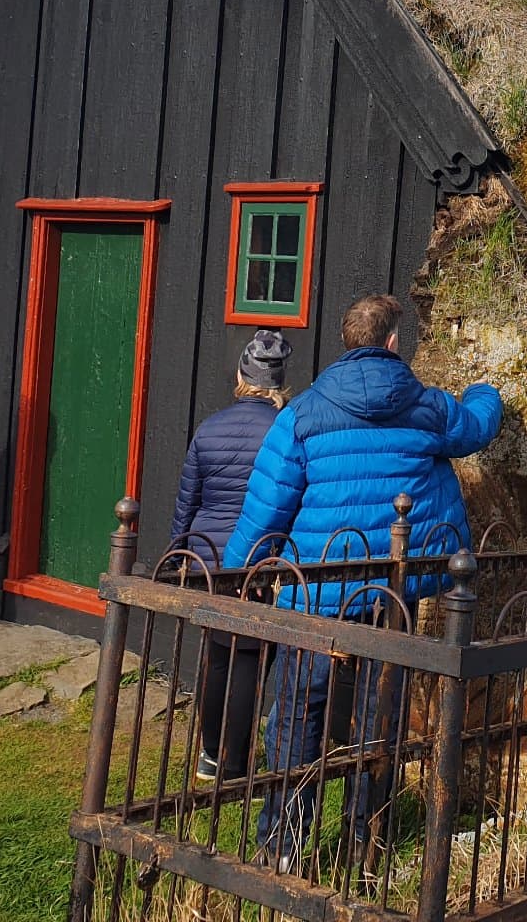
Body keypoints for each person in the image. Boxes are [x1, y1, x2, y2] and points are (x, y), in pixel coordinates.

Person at [219, 293, 503, 866]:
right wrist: (486, 390)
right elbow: (476, 427)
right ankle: (364, 841)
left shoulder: (302, 414)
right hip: (391, 591)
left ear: (346, 342)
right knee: (380, 718)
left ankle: (283, 843)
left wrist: (234, 570)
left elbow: (267, 503)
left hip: (316, 591)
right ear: (393, 342)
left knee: (299, 715)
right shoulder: (425, 407)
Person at [168, 328, 292, 781]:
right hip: (258, 559)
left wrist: (178, 554)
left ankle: (209, 753)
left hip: (209, 557)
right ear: (279, 383)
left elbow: (188, 501)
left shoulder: (209, 428)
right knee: (249, 658)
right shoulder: (285, 432)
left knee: (218, 654)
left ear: (241, 376)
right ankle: (235, 765)